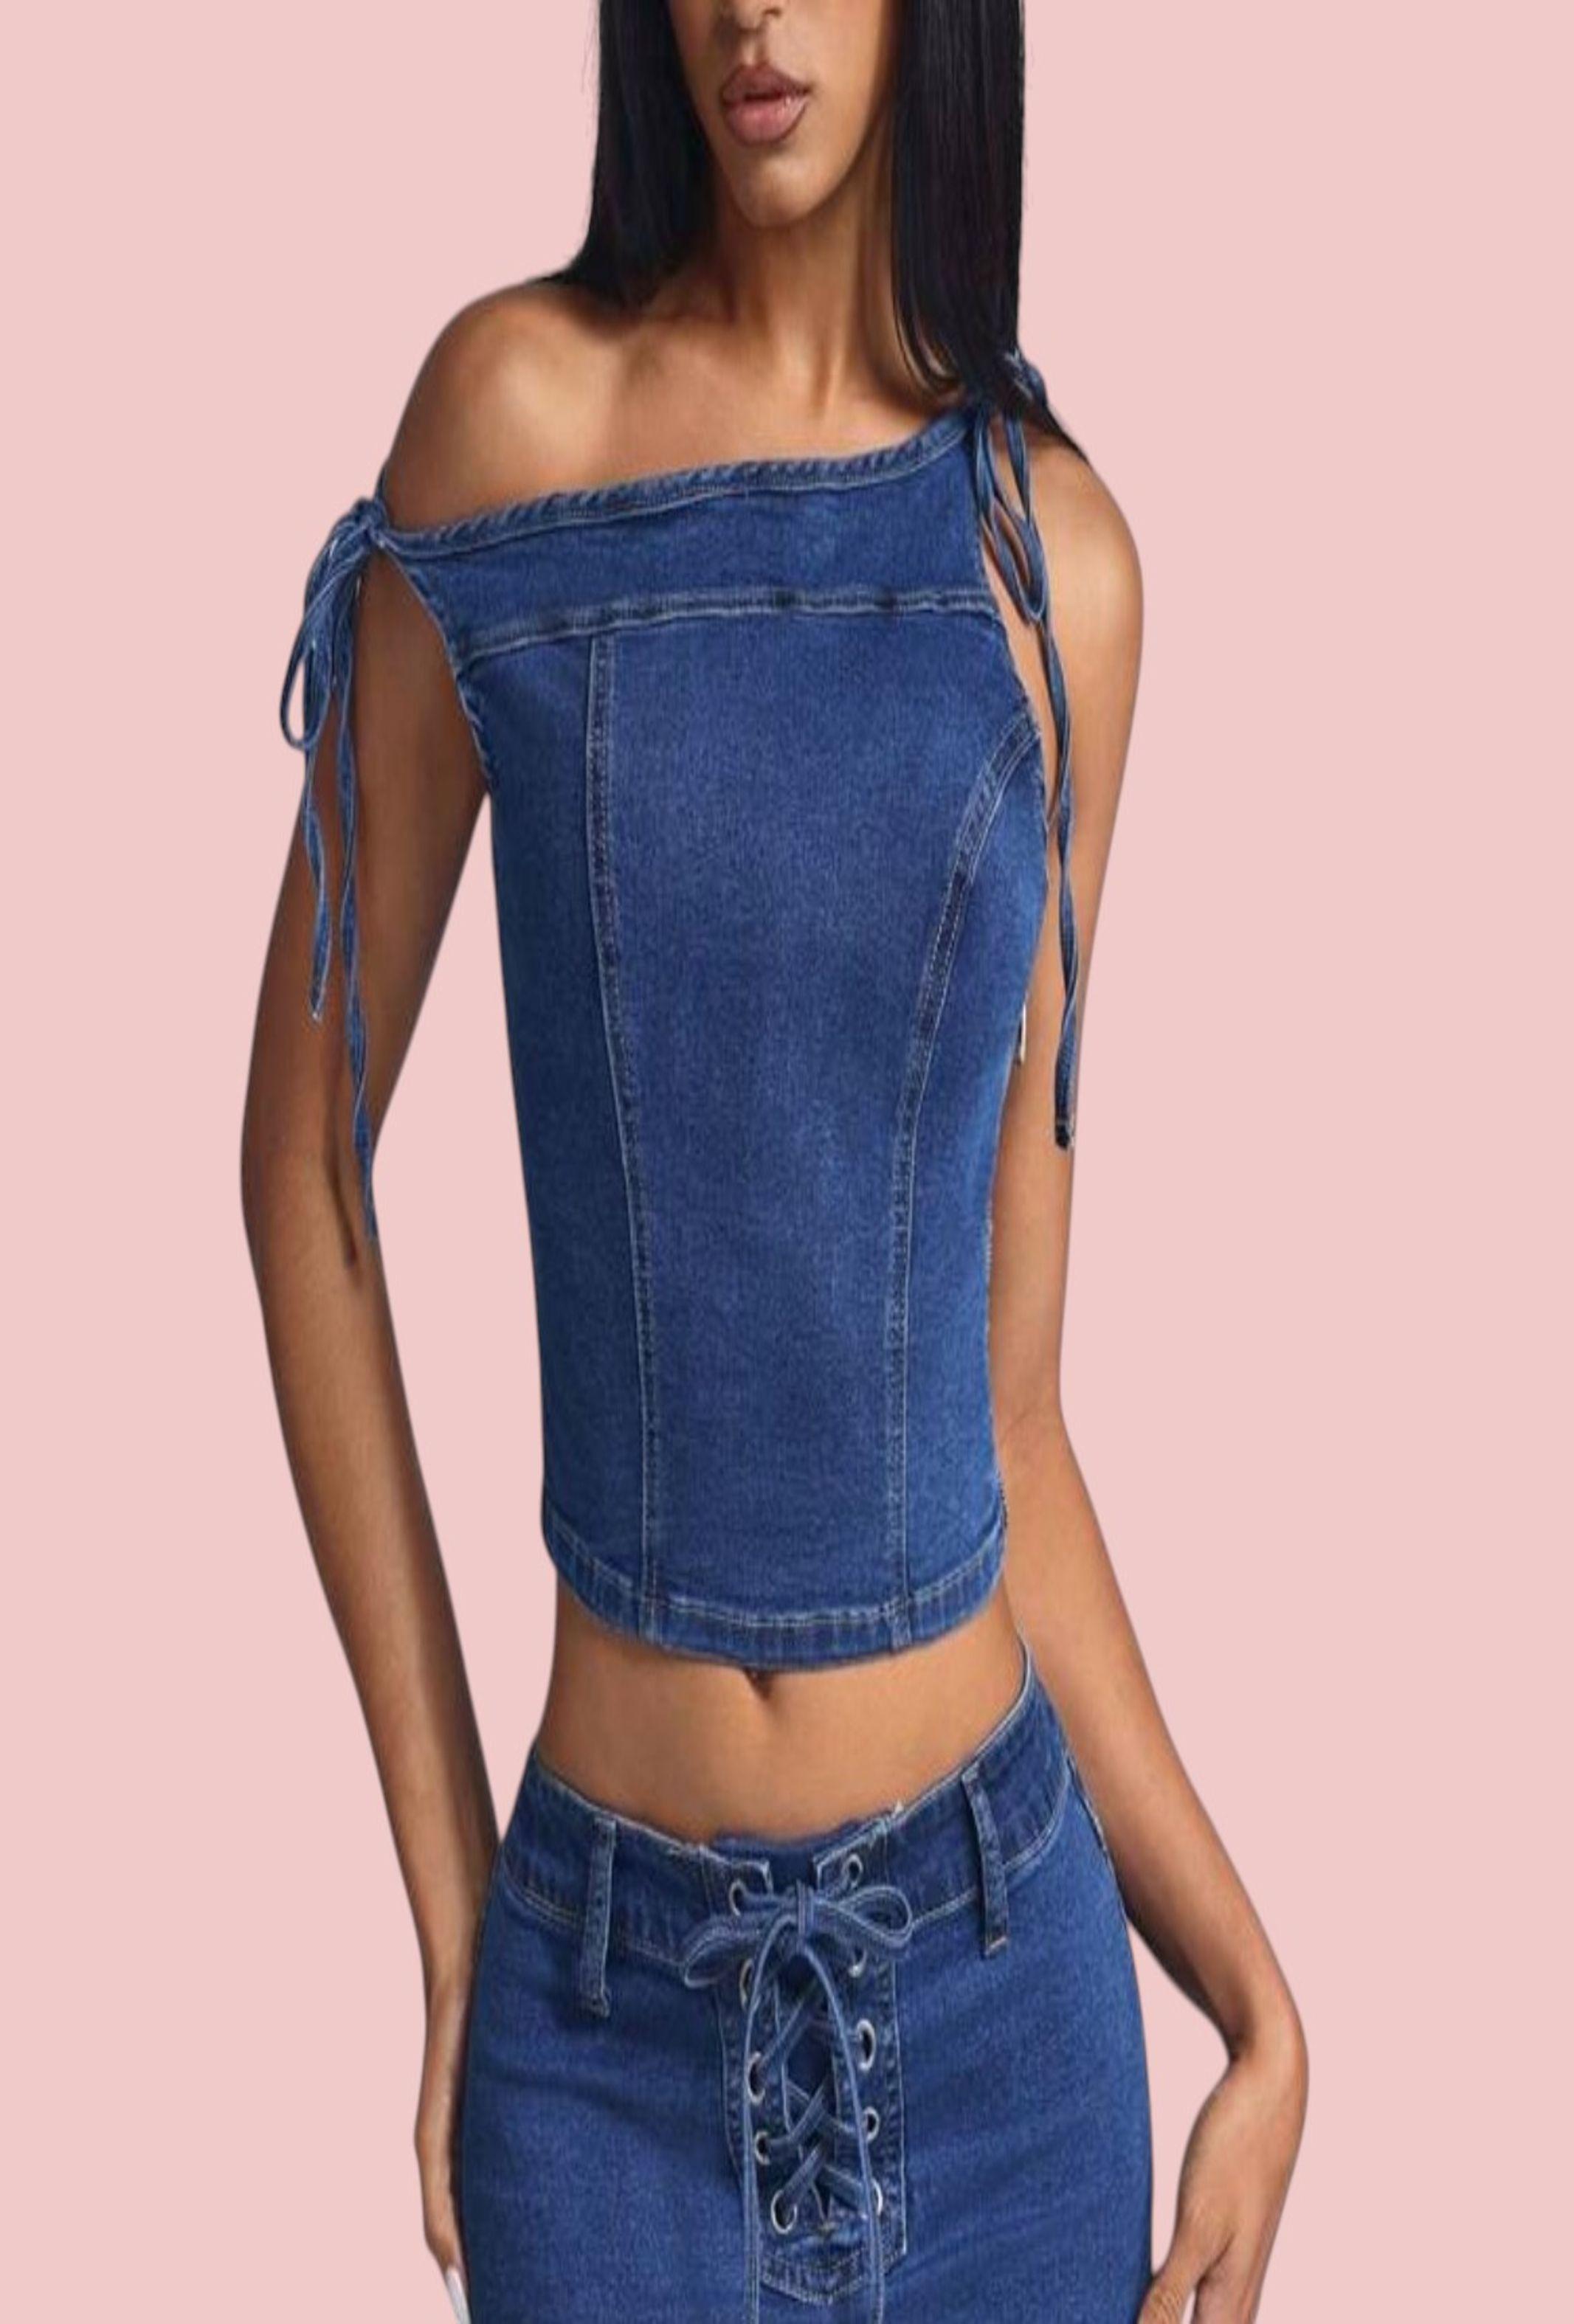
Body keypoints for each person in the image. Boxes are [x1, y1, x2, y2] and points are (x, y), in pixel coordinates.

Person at [242, 4, 1308, 2319]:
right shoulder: (510, 430)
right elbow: (303, 1178)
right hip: (600, 2034)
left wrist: (1257, 2007)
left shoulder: (1058, 571)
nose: (754, 9)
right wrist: (453, 1910)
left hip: (1009, 2022)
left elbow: (1010, 1420)